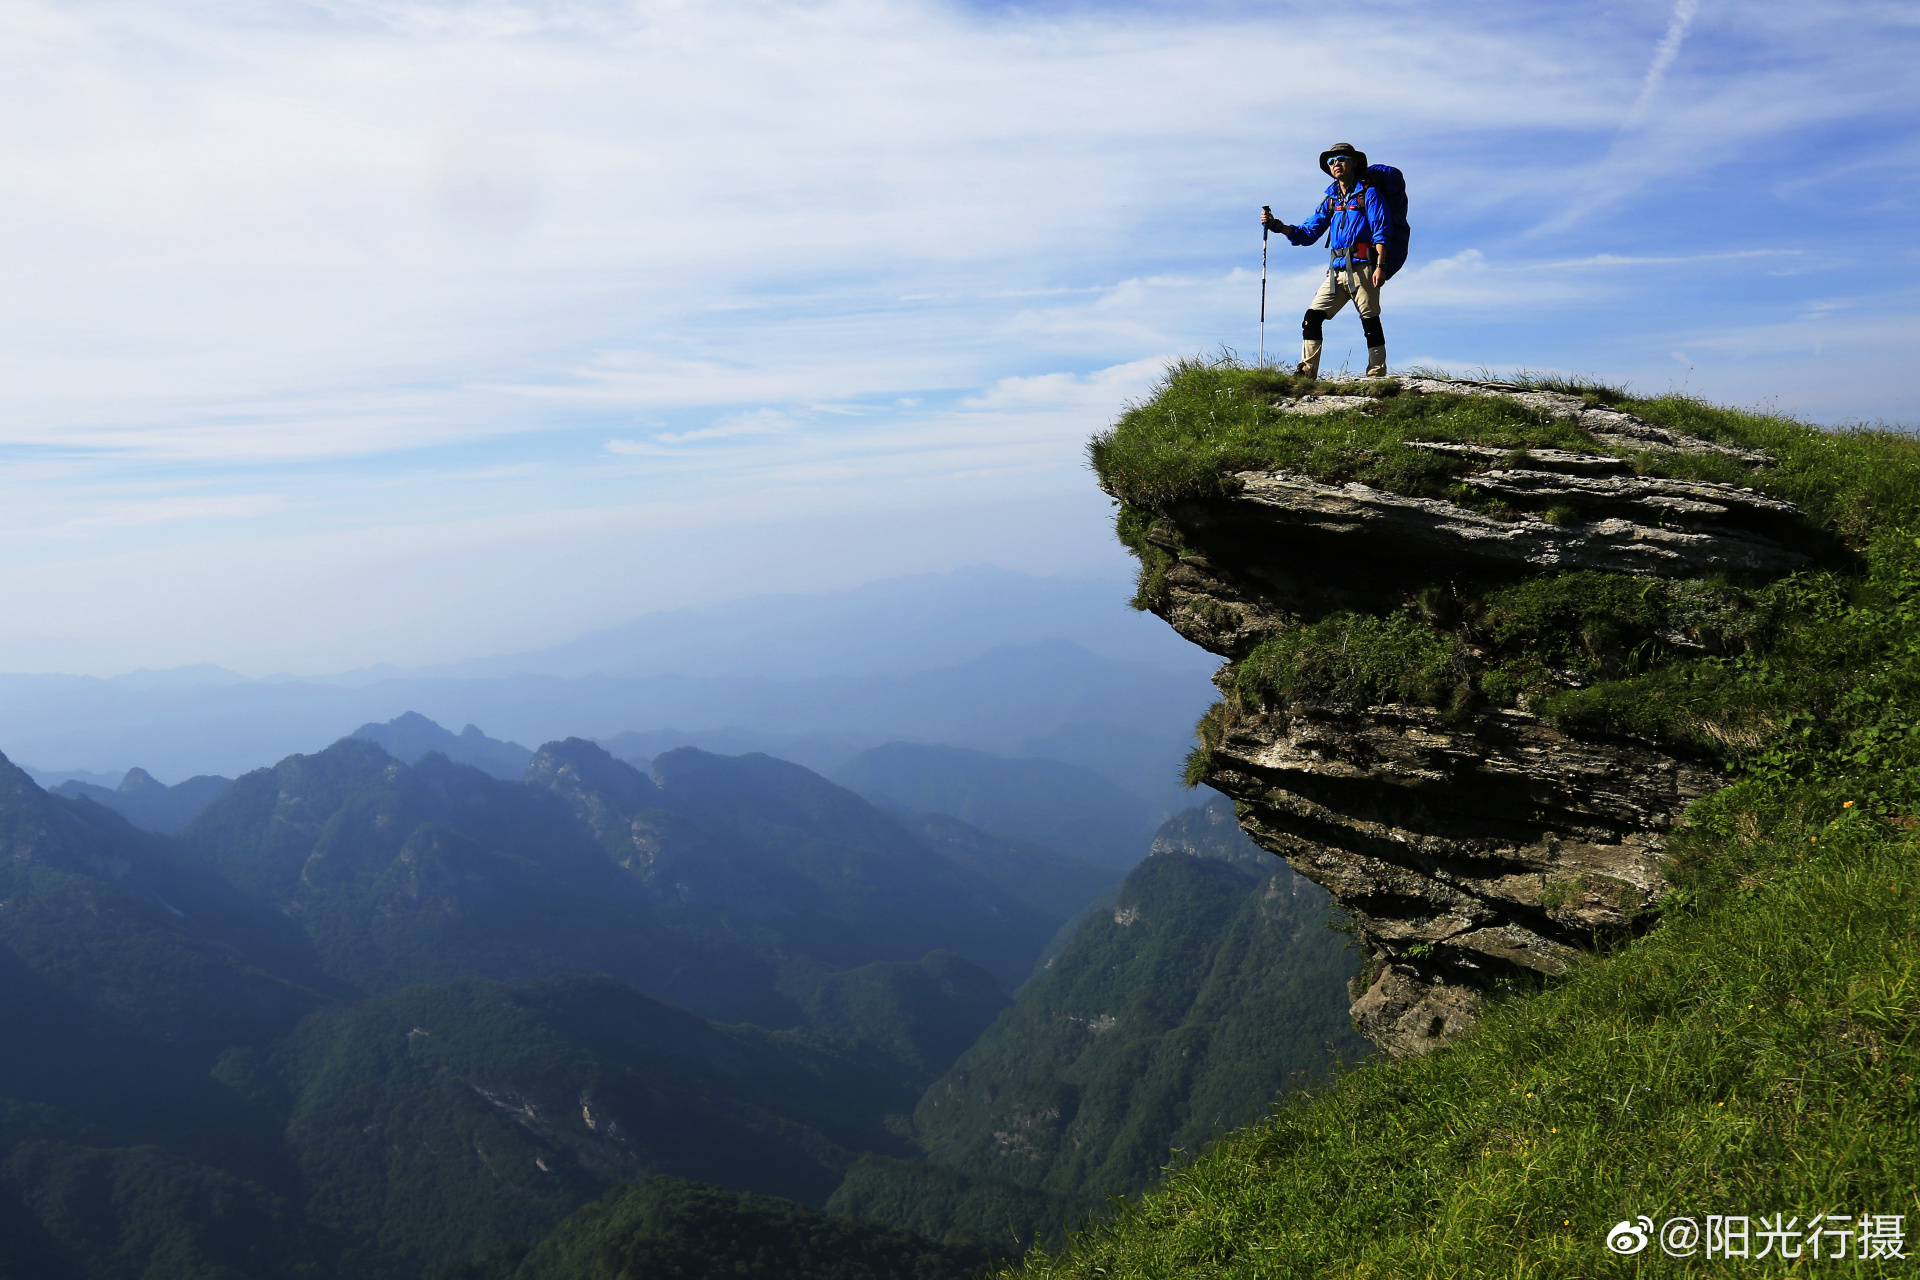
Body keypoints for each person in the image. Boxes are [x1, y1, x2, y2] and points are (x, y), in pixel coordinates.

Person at [1261, 143, 1390, 379]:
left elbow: (1381, 231)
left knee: (1369, 319)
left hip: (1364, 267)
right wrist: (1277, 226)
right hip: (1336, 271)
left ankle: (1376, 372)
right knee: (1312, 317)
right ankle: (1307, 372)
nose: (1336, 164)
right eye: (1331, 162)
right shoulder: (1331, 200)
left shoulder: (1369, 194)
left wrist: (1380, 266)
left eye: (1341, 159)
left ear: (1354, 163)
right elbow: (1308, 233)